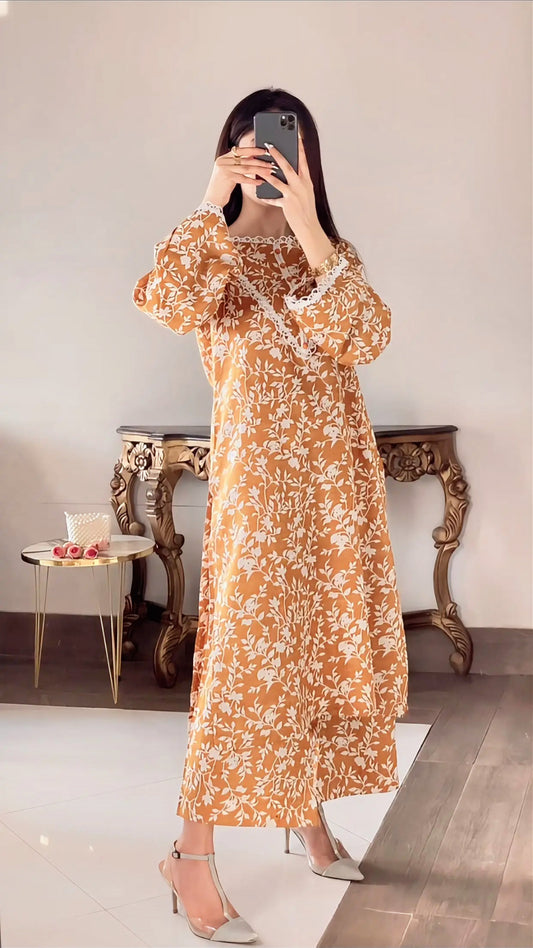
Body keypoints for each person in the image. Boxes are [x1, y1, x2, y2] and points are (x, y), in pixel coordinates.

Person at [133, 87, 409, 944]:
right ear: (230, 155)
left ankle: (309, 817)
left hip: (335, 494)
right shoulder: (208, 259)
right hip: (257, 497)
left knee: (320, 651)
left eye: (284, 150)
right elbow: (162, 303)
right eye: (251, 150)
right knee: (241, 670)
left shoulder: (329, 259)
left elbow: (366, 336)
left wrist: (311, 227)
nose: (270, 162)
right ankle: (190, 856)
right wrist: (206, 203)